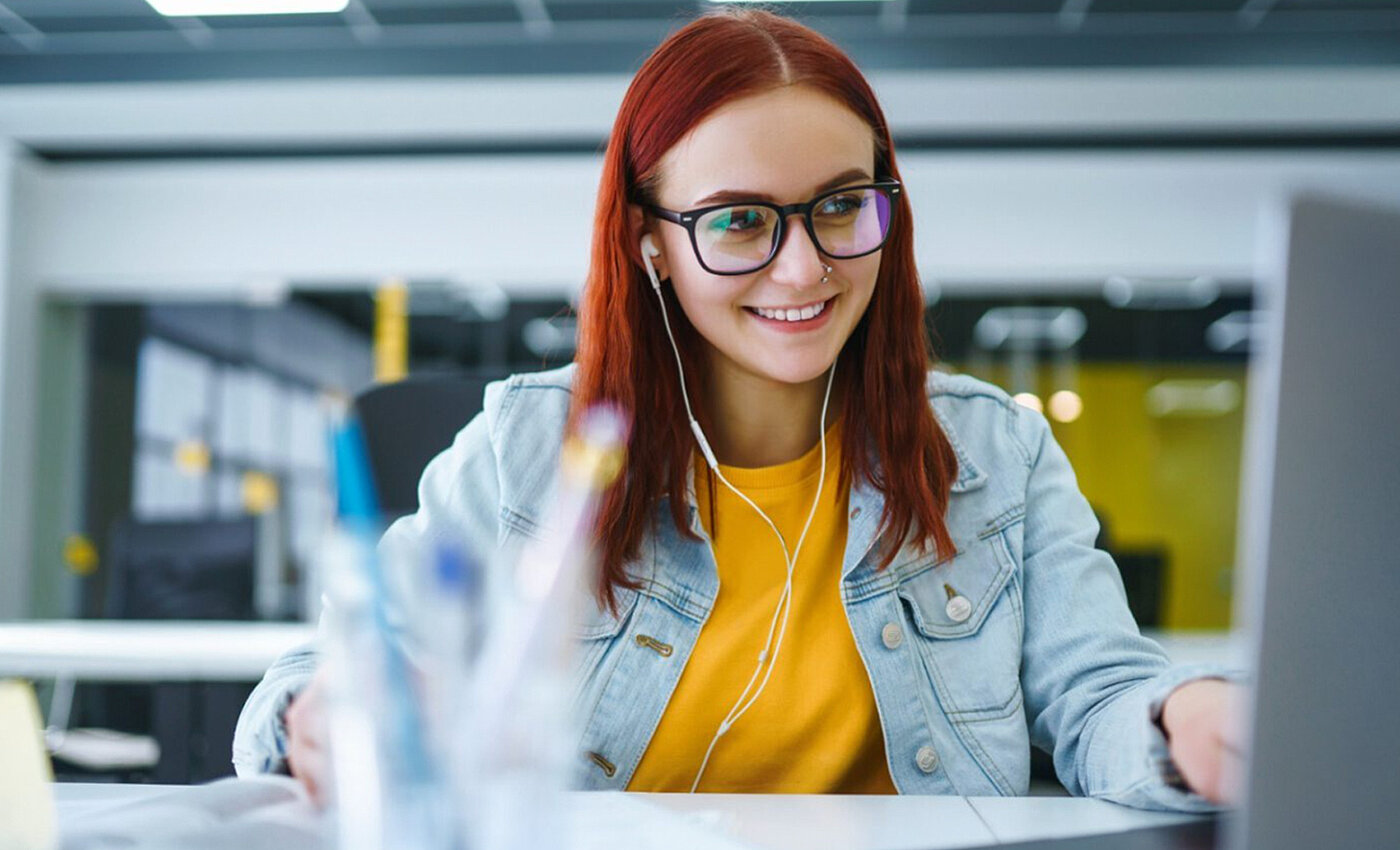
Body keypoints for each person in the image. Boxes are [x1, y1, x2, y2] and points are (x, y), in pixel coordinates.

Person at [234, 8, 1242, 809]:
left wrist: (1182, 713)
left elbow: (1098, 693)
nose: (802, 266)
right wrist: (324, 714)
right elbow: (318, 679)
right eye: (740, 221)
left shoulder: (995, 450)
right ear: (649, 241)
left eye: (842, 205)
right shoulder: (527, 447)